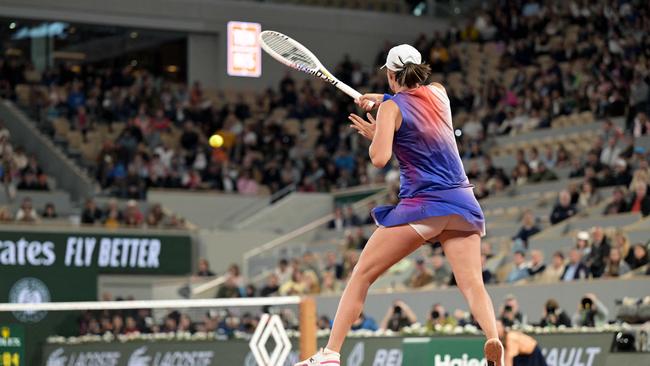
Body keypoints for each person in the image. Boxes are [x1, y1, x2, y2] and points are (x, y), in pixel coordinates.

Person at [295, 44, 503, 366]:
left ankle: (331, 354)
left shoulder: (391, 108)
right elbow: (409, 102)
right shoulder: (439, 93)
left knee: (361, 275)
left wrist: (378, 129)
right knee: (473, 284)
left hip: (424, 206)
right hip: (463, 204)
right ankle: (492, 337)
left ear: (391, 75)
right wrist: (380, 102)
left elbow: (380, 159)